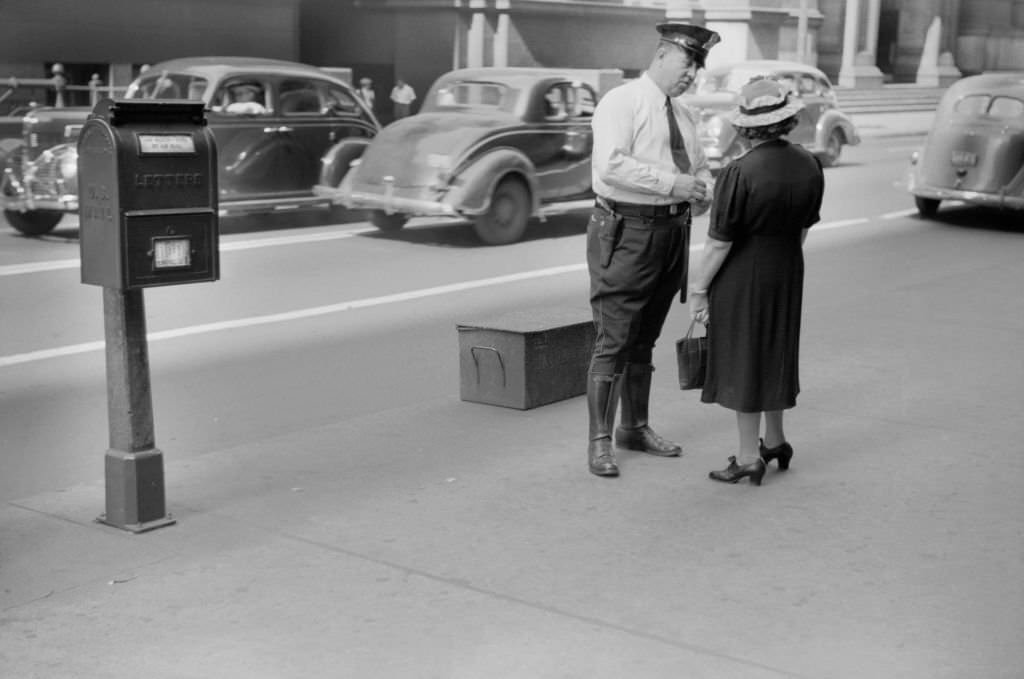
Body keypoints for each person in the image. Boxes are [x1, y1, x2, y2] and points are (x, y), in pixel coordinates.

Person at [584, 22, 720, 478]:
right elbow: (611, 164)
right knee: (614, 339)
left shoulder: (685, 115)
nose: (691, 76)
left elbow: (699, 168)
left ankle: (634, 428)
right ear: (662, 56)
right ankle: (600, 441)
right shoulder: (622, 102)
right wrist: (672, 184)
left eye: (697, 69)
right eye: (687, 64)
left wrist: (702, 193)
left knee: (645, 337)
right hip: (626, 231)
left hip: (670, 234)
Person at [688, 77, 826, 486]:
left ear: (746, 126)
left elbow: (718, 243)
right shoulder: (809, 163)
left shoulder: (738, 172)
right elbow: (803, 229)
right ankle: (777, 441)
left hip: (743, 276)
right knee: (775, 352)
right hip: (787, 268)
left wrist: (699, 291)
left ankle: (749, 456)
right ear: (786, 119)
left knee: (744, 359)